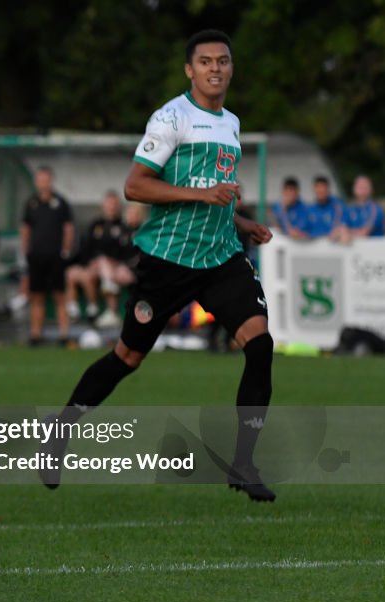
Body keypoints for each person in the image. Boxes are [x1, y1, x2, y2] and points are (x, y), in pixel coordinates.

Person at [39, 29, 276, 502]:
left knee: (260, 343)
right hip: (166, 261)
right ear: (190, 70)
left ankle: (244, 462)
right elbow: (136, 186)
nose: (215, 68)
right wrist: (202, 195)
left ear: (231, 68)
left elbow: (215, 191)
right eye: (205, 61)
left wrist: (242, 220)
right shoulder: (171, 117)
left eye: (223, 61)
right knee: (128, 358)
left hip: (220, 256)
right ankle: (58, 433)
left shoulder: (231, 123)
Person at [21, 166, 74, 346]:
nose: (43, 183)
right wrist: (26, 250)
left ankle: (63, 335)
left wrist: (65, 250)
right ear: (36, 182)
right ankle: (36, 334)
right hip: (36, 256)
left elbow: (68, 228)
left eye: (46, 179)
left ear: (51, 181)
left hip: (55, 257)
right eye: (40, 180)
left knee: (60, 296)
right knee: (37, 296)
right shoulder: (31, 203)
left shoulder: (61, 203)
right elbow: (25, 228)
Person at [65, 191, 122, 325]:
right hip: (92, 264)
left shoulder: (122, 226)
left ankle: (93, 310)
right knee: (70, 273)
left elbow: (122, 251)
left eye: (114, 204)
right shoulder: (95, 224)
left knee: (87, 276)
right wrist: (88, 263)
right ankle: (73, 310)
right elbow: (86, 247)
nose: (111, 206)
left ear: (118, 206)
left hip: (111, 268)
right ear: (103, 205)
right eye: (108, 203)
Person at [333, 174, 385, 241]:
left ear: (370, 190)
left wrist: (346, 233)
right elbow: (337, 230)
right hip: (354, 249)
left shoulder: (376, 210)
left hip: (374, 249)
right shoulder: (349, 209)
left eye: (365, 187)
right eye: (359, 186)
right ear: (354, 188)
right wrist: (341, 232)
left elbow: (364, 233)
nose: (362, 190)